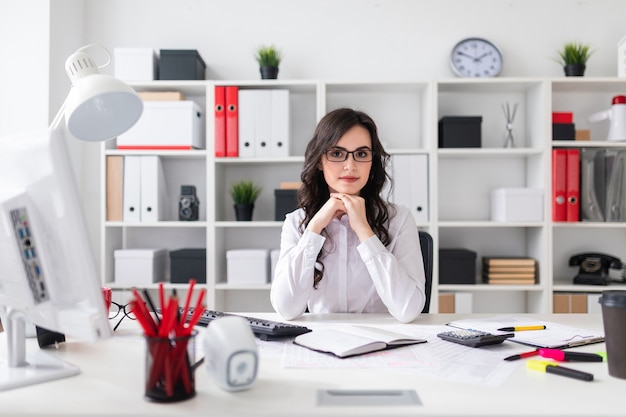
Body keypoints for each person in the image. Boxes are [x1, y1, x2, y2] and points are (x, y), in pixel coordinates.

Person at [270, 108, 426, 323]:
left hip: (383, 340)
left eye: (361, 154)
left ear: (372, 163)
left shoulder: (399, 219)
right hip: (322, 341)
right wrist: (314, 229)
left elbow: (408, 310)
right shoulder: (297, 222)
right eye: (336, 153)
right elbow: (286, 309)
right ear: (319, 161)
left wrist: (365, 231)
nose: (350, 166)